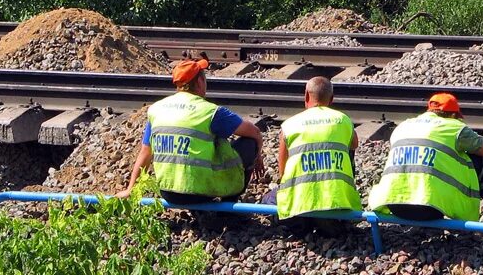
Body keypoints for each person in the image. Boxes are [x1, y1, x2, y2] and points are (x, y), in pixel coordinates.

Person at [121, 56, 264, 203]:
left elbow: (145, 152)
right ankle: (227, 210)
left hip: (168, 192)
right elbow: (255, 132)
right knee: (248, 143)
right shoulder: (211, 112)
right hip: (200, 192)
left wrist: (131, 189)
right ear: (200, 81)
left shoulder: (156, 109)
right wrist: (257, 155)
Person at [367, 92, 483, 224]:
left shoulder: (403, 126)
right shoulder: (454, 127)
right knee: (479, 161)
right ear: (453, 115)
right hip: (430, 208)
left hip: (394, 204)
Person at [265, 76, 362, 220]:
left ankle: (302, 221)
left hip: (299, 203)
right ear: (332, 99)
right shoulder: (343, 120)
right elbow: (354, 145)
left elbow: (282, 173)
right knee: (347, 147)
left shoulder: (289, 125)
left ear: (306, 95)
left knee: (268, 199)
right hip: (338, 201)